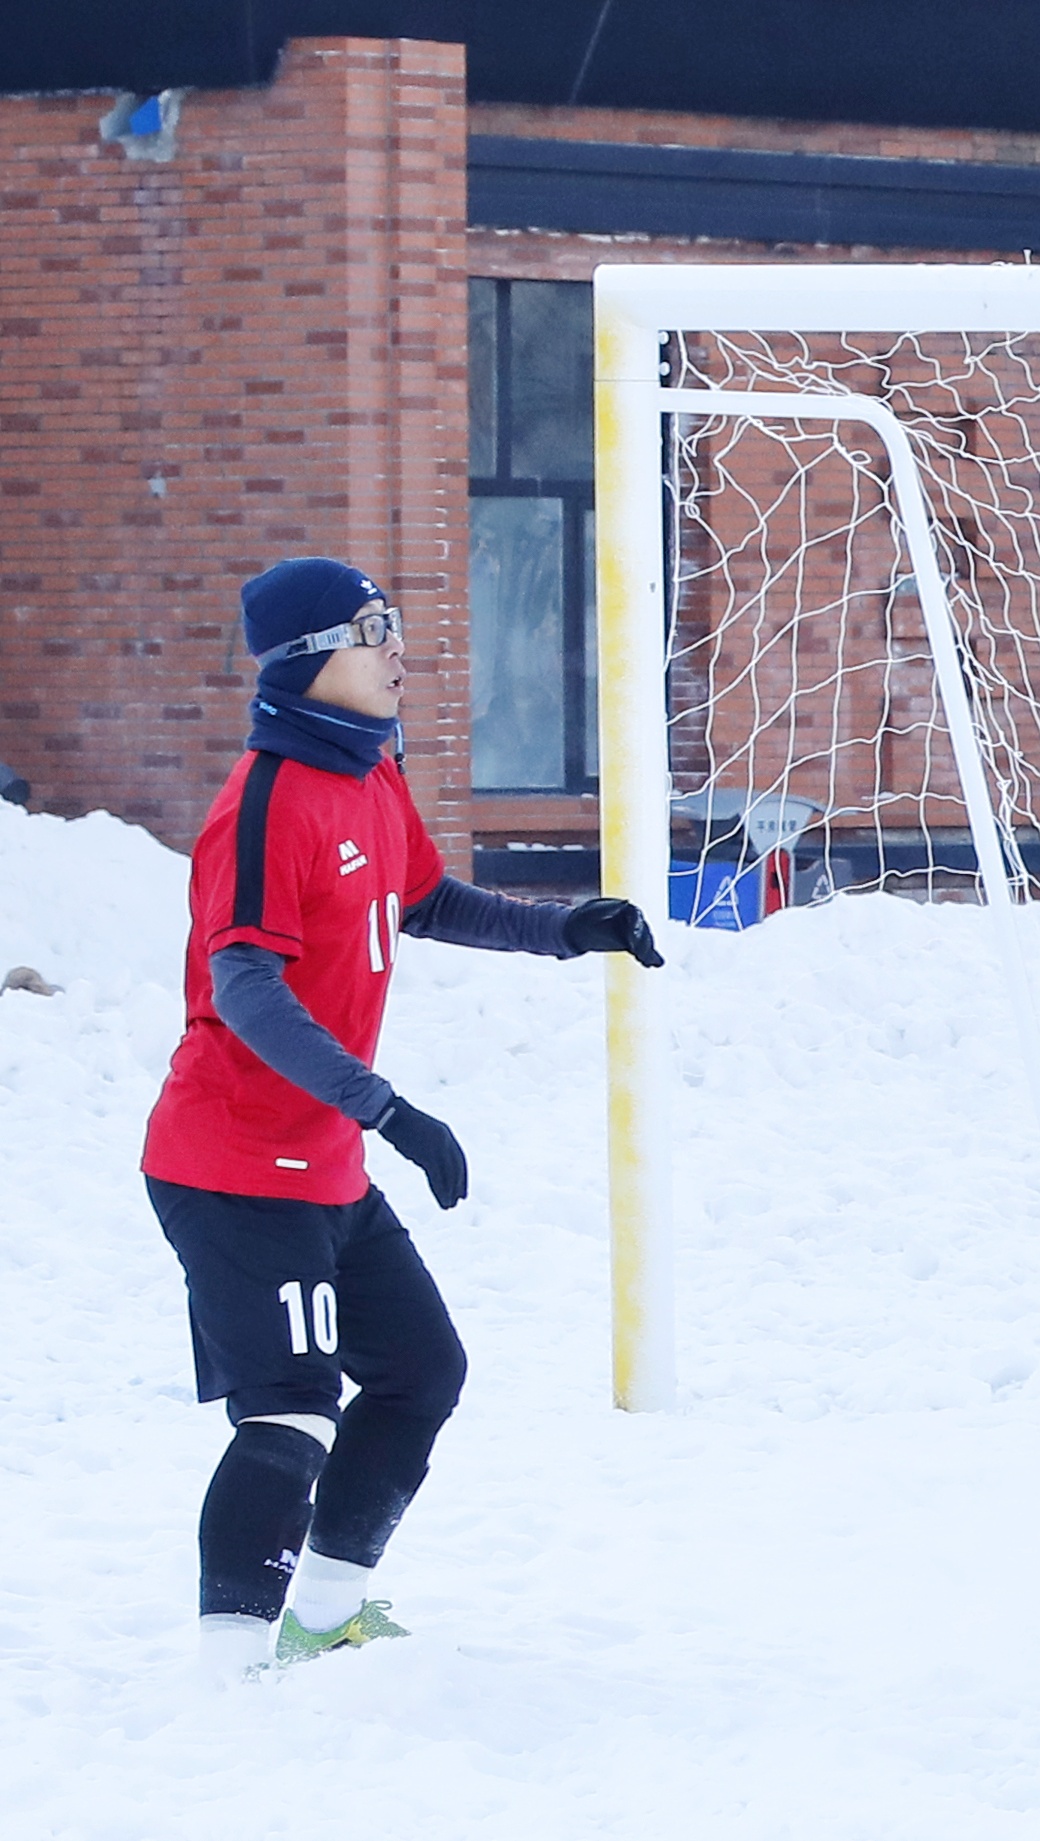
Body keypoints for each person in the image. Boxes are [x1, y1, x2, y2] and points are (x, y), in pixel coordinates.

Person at [144, 558, 664, 1679]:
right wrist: (388, 1108)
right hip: (232, 1158)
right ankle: (226, 1672)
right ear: (307, 658)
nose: (396, 648)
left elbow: (424, 900)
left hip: (318, 1158)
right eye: (373, 628)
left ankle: (323, 1615)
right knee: (288, 1417)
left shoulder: (367, 778)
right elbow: (243, 987)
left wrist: (568, 928)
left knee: (422, 1369)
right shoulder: (265, 801)